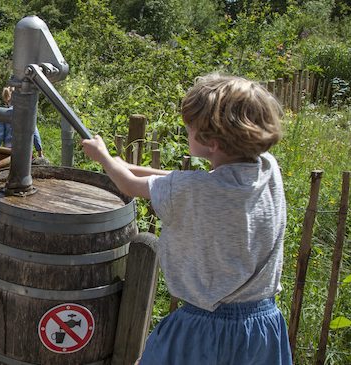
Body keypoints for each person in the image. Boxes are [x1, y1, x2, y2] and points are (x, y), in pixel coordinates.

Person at [81, 74, 291, 365]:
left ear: (212, 142)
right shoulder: (268, 169)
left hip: (205, 327)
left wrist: (103, 158)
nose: (186, 133)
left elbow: (130, 186)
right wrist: (127, 166)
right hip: (260, 325)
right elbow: (188, 180)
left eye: (189, 130)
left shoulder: (193, 190)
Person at [0, 86, 44, 158]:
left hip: (8, 150)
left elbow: (0, 135)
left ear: (7, 99)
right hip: (25, 149)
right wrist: (39, 151)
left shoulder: (4, 114)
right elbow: (34, 132)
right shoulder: (27, 113)